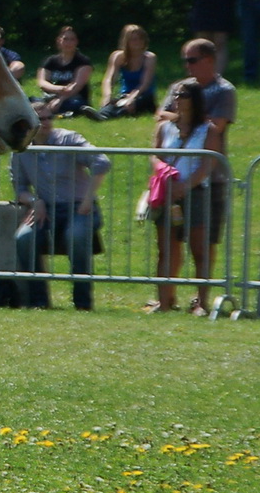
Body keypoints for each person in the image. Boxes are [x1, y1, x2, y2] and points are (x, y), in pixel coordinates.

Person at [12, 101, 111, 311]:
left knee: (75, 236)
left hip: (80, 207)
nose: (47, 123)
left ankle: (83, 302)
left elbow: (102, 162)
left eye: (49, 117)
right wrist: (34, 201)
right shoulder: (21, 149)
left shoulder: (69, 139)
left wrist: (87, 199)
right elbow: (19, 188)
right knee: (23, 238)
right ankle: (38, 300)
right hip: (46, 209)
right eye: (40, 119)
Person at [163, 37, 237, 294]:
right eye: (184, 60)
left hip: (210, 179)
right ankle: (166, 298)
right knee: (170, 241)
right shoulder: (179, 86)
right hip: (172, 183)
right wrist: (186, 115)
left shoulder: (224, 90)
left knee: (204, 243)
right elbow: (160, 117)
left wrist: (187, 117)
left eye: (191, 60)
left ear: (209, 60)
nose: (187, 66)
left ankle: (200, 298)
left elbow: (216, 126)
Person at [146, 81, 215, 314]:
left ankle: (201, 302)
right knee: (166, 249)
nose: (177, 98)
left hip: (195, 193)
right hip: (167, 193)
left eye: (183, 95)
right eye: (175, 94)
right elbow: (154, 155)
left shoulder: (209, 130)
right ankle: (165, 301)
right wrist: (164, 173)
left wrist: (186, 185)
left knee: (199, 249)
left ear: (195, 99)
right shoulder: (165, 127)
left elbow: (208, 164)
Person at [36, 26, 97, 118]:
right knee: (31, 101)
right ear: (59, 40)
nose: (68, 43)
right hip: (51, 96)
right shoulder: (50, 61)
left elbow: (77, 86)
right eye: (65, 39)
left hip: (74, 97)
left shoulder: (83, 61)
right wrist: (60, 89)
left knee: (74, 104)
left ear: (76, 42)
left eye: (72, 40)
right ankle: (57, 112)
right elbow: (42, 82)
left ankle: (60, 112)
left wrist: (60, 99)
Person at [98, 24, 157, 119]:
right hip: (125, 94)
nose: (138, 42)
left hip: (143, 95)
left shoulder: (149, 58)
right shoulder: (118, 56)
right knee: (115, 102)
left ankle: (109, 116)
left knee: (128, 105)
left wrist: (132, 98)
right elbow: (109, 79)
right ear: (126, 41)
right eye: (134, 39)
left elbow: (145, 84)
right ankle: (102, 113)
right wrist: (107, 96)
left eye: (140, 39)